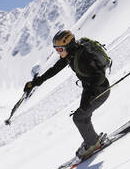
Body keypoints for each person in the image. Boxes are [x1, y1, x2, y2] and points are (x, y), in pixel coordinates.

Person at [24, 30, 110, 159]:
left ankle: (93, 144)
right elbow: (55, 68)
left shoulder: (82, 57)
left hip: (99, 90)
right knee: (82, 116)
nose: (58, 52)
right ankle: (91, 140)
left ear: (68, 45)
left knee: (79, 117)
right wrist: (38, 81)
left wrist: (86, 99)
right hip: (90, 89)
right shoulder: (72, 54)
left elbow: (99, 76)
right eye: (56, 49)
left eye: (59, 49)